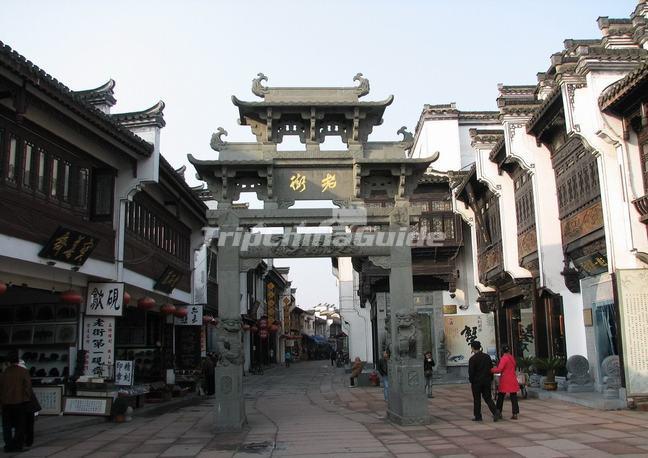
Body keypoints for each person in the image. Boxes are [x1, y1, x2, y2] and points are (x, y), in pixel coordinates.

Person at [0, 350, 32, 452]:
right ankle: (17, 445)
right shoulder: (23, 372)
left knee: (6, 425)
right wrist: (27, 399)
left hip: (6, 403)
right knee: (20, 425)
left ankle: (8, 445)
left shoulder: (4, 373)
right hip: (20, 402)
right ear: (18, 361)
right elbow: (28, 387)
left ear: (8, 362)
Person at [468, 341, 500, 422]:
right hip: (486, 381)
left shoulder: (472, 359)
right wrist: (491, 379)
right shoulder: (487, 357)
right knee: (488, 398)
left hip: (476, 382)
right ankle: (495, 411)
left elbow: (471, 372)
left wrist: (471, 381)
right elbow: (491, 368)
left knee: (477, 399)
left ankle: (478, 416)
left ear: (472, 348)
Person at [491, 345, 520, 419]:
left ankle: (498, 412)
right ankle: (515, 413)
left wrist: (491, 370)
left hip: (505, 380)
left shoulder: (504, 358)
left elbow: (499, 369)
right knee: (513, 397)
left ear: (502, 351)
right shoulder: (511, 357)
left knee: (500, 396)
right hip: (513, 378)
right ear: (509, 350)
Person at [18, 360, 41, 449]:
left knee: (23, 423)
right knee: (29, 424)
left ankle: (24, 440)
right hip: (29, 403)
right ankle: (28, 441)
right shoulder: (24, 371)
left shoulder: (19, 372)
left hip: (24, 402)